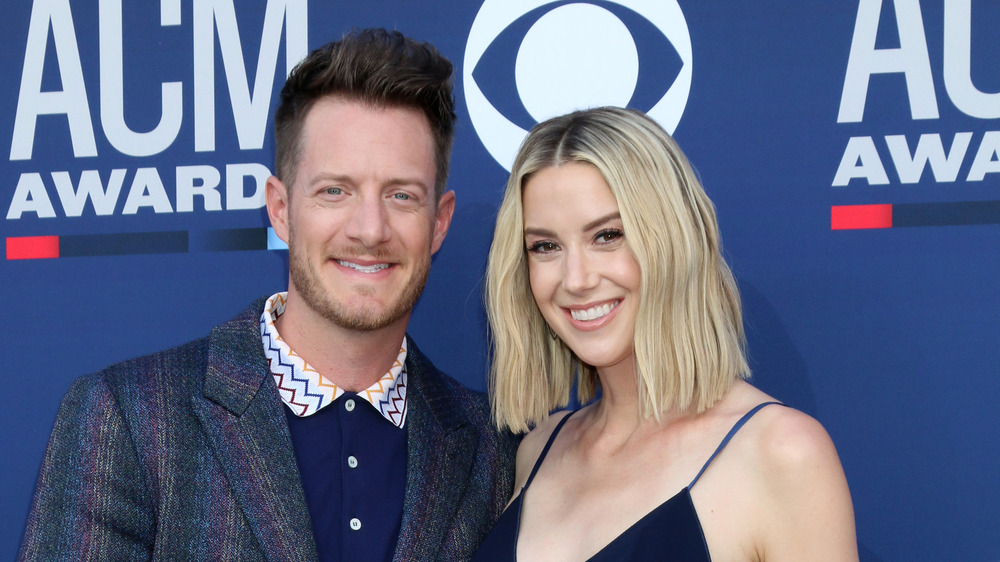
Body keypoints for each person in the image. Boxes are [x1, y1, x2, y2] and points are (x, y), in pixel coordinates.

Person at [20, 28, 517, 561]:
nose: (370, 229)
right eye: (334, 191)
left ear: (439, 223)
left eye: (401, 195)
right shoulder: (127, 418)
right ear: (280, 209)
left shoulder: (493, 450)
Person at [473, 107, 857, 561]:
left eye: (608, 235)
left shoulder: (781, 453)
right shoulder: (539, 449)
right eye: (546, 246)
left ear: (672, 240)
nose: (575, 279)